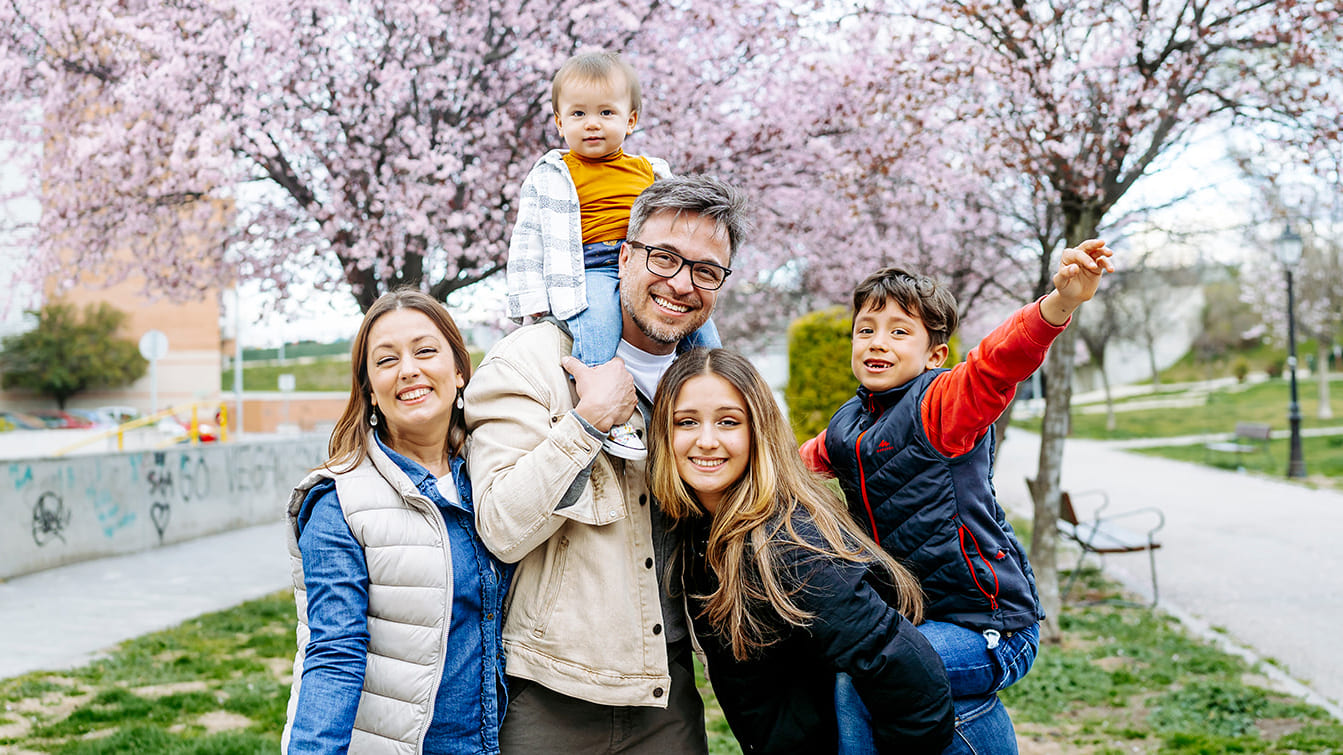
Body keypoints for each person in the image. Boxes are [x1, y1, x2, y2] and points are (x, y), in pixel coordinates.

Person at [466, 175, 749, 753]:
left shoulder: (705, 388)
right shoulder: (532, 362)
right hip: (553, 692)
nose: (681, 284)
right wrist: (588, 423)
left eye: (706, 271)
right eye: (664, 257)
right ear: (624, 254)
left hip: (667, 694)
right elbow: (499, 527)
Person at [800, 240, 1116, 753]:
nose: (878, 342)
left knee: (867, 673)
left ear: (933, 354)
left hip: (991, 627)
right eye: (866, 330)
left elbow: (997, 364)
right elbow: (787, 470)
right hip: (922, 620)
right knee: (857, 664)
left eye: (899, 332)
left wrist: (1059, 304)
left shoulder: (940, 405)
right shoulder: (848, 428)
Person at [648, 347, 955, 754]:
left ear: (759, 430)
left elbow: (909, 674)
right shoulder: (701, 528)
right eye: (686, 422)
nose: (706, 441)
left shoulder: (786, 546)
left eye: (728, 422)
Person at [281, 289, 509, 754]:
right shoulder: (338, 502)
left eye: (426, 351)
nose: (409, 369)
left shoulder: (492, 479)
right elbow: (334, 654)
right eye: (386, 361)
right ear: (369, 388)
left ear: (460, 371)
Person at [505, 50, 721, 460]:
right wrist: (530, 304)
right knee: (599, 327)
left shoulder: (651, 171)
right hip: (588, 266)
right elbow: (527, 240)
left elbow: (679, 224)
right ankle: (611, 412)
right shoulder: (553, 173)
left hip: (644, 263)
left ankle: (715, 396)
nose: (592, 123)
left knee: (706, 335)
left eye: (606, 112)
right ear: (559, 121)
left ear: (631, 119)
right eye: (578, 114)